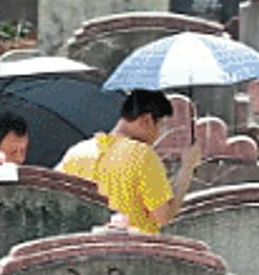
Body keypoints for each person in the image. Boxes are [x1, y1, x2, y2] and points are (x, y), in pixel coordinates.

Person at [58, 89, 199, 234]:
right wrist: (187, 169)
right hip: (133, 249)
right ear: (147, 120)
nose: (160, 134)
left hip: (83, 246)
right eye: (161, 125)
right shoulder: (142, 155)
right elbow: (163, 217)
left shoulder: (77, 152)